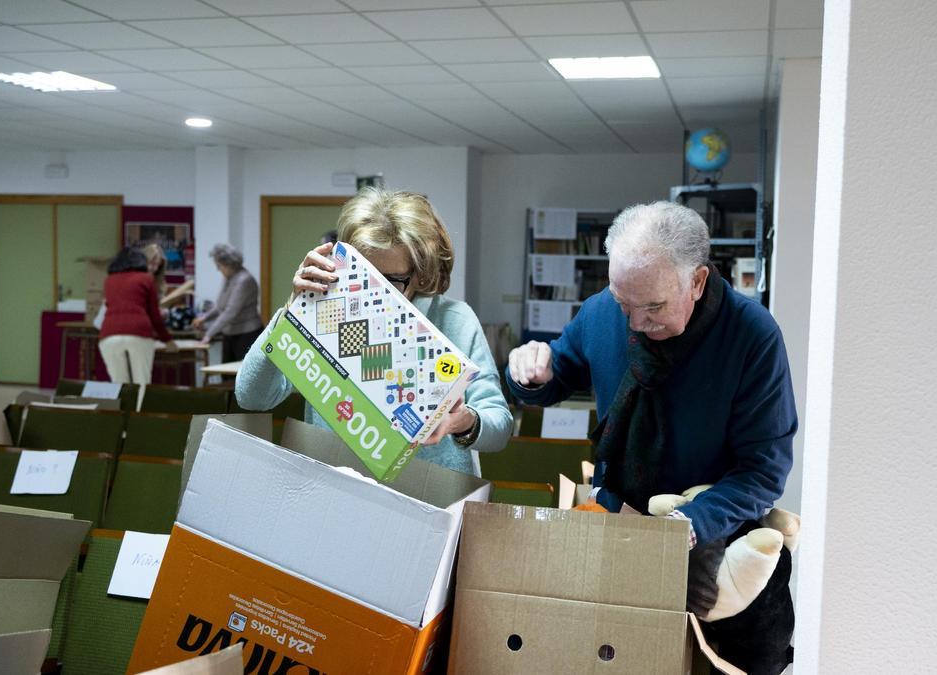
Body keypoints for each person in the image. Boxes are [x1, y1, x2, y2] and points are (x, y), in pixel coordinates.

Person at [506, 201, 796, 674]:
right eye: (626, 305)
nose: (637, 324)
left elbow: (764, 470)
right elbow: (558, 371)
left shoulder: (753, 335)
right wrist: (530, 371)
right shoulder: (603, 311)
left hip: (718, 538)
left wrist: (688, 525)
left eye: (655, 307)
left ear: (698, 282)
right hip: (619, 525)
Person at [236, 187, 511, 475]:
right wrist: (293, 310)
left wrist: (464, 421)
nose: (374, 293)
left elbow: (499, 426)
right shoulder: (328, 307)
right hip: (334, 489)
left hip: (429, 494)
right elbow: (252, 397)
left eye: (391, 281)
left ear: (422, 272)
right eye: (362, 274)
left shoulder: (454, 319)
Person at [98, 246, 177, 384]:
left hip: (109, 336)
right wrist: (167, 340)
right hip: (138, 333)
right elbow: (154, 315)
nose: (153, 268)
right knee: (142, 383)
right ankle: (140, 406)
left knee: (119, 384)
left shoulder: (109, 281)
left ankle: (122, 406)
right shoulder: (146, 279)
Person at [191, 243, 262, 363]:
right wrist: (204, 318)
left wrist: (209, 334)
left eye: (219, 266)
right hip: (230, 334)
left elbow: (230, 312)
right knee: (226, 378)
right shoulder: (229, 278)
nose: (218, 269)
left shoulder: (244, 280)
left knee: (241, 376)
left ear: (229, 264)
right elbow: (220, 305)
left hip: (246, 335)